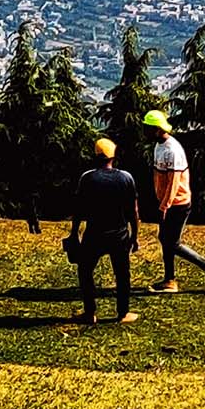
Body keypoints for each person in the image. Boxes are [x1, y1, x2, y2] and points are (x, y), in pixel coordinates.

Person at [142, 110, 205, 293]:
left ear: (156, 129)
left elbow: (174, 181)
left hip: (177, 204)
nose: (144, 131)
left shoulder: (172, 150)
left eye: (147, 127)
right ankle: (170, 280)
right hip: (167, 202)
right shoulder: (159, 146)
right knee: (165, 239)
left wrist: (165, 205)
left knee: (173, 243)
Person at [67, 136, 140, 325]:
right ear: (113, 156)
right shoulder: (126, 177)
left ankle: (90, 313)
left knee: (85, 271)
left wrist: (74, 233)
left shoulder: (87, 178)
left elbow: (79, 209)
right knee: (122, 274)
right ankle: (123, 313)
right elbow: (133, 211)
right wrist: (135, 236)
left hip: (94, 234)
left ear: (96, 156)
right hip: (120, 234)